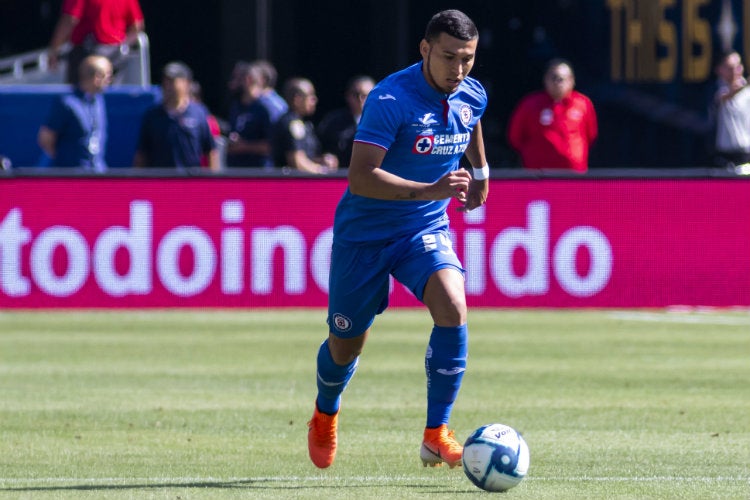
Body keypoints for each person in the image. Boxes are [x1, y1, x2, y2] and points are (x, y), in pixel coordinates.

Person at [307, 9, 489, 469]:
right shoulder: (390, 98)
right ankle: (325, 411)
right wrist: (431, 190)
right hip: (365, 236)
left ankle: (436, 433)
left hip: (423, 228)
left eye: (468, 58)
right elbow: (361, 178)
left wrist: (482, 172)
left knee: (452, 304)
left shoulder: (470, 91)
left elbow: (472, 120)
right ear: (425, 50)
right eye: (449, 57)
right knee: (346, 343)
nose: (459, 69)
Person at [507, 58, 597, 172]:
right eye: (553, 78)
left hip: (574, 175)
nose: (557, 83)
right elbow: (515, 137)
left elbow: (591, 135)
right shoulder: (530, 104)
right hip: (538, 175)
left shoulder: (583, 104)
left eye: (561, 79)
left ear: (572, 80)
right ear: (545, 80)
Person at [133, 62, 219, 170]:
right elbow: (142, 154)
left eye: (172, 81)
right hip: (160, 181)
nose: (167, 86)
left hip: (190, 181)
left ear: (186, 83)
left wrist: (211, 183)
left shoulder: (199, 113)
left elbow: (210, 151)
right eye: (165, 81)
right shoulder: (152, 115)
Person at [37, 55, 113, 171]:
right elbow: (46, 138)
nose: (109, 81)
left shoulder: (98, 101)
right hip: (72, 177)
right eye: (107, 76)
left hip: (97, 173)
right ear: (97, 77)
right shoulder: (67, 103)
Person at [46, 0, 145, 85]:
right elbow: (137, 26)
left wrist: (54, 50)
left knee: (79, 98)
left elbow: (70, 19)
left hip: (87, 56)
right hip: (116, 55)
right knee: (110, 96)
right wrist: (123, 45)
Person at [226, 60, 288, 168]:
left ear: (248, 79)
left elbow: (276, 144)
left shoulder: (266, 107)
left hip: (260, 174)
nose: (231, 84)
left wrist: (245, 146)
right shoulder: (236, 106)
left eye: (235, 79)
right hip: (236, 171)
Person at [271, 78, 338, 174]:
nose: (314, 100)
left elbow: (307, 156)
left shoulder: (304, 124)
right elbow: (297, 162)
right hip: (290, 185)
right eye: (310, 96)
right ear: (297, 99)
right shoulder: (292, 123)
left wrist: (322, 161)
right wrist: (321, 171)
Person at [317, 75, 376, 167]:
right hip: (340, 176)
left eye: (365, 95)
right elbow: (319, 147)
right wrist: (326, 158)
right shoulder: (333, 121)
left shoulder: (383, 121)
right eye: (356, 95)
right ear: (348, 96)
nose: (360, 99)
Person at [712, 50, 750, 168]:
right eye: (729, 67)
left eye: (738, 66)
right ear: (719, 70)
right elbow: (724, 97)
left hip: (746, 154)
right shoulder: (714, 89)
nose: (735, 71)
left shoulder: (747, 92)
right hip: (723, 157)